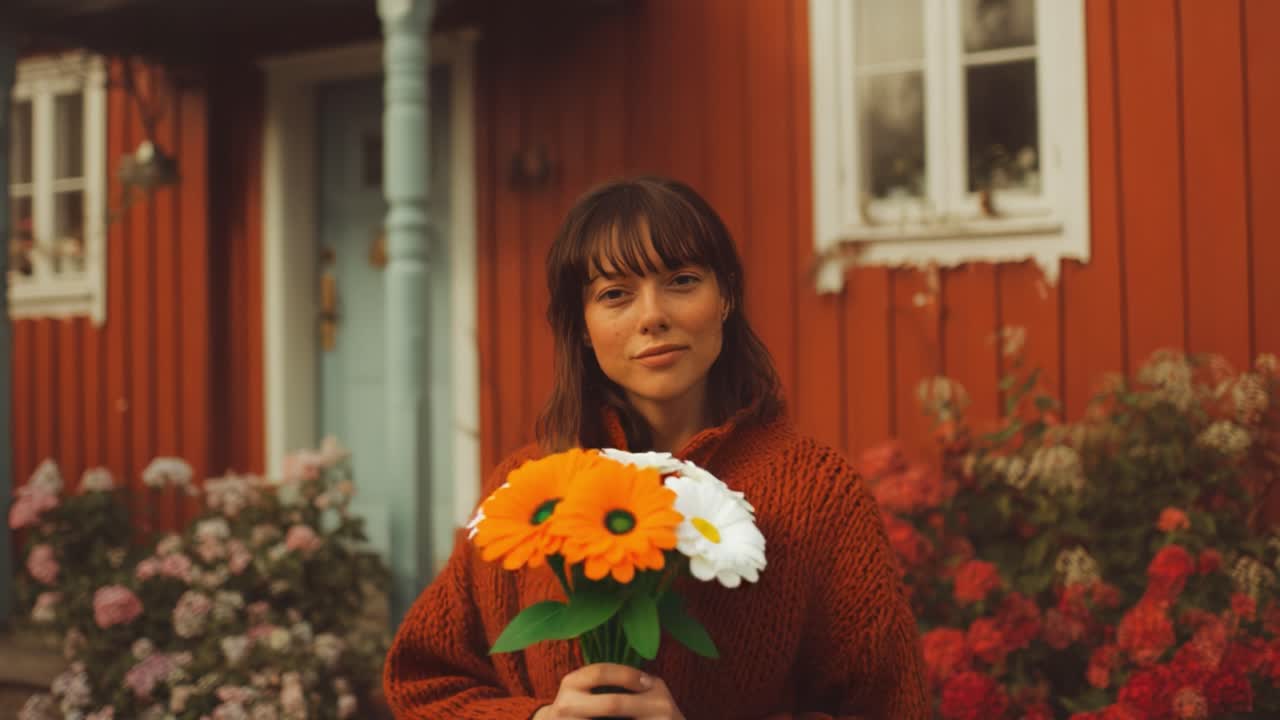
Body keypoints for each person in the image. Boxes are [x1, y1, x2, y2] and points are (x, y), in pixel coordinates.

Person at [382, 176, 928, 719]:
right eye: (615, 294)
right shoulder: (526, 489)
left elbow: (889, 707)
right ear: (581, 327)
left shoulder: (817, 491)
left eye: (682, 280)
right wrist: (536, 719)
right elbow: (424, 682)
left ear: (726, 297)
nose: (652, 316)